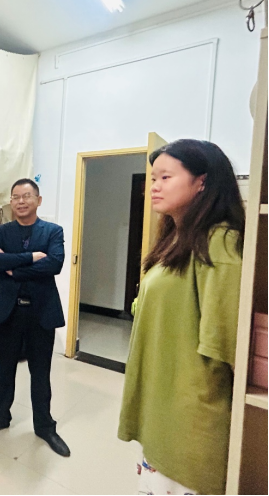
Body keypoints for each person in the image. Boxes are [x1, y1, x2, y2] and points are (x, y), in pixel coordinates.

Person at [118, 140, 245, 495]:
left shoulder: (220, 242)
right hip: (164, 401)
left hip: (191, 413)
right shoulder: (177, 239)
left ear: (202, 181)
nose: (154, 186)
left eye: (166, 177)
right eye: (153, 178)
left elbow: (228, 342)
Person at [0, 179, 70, 458]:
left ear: (38, 200)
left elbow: (54, 264)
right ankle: (0, 416)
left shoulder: (53, 231)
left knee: (40, 372)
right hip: (9, 310)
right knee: (4, 369)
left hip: (41, 312)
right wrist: (31, 257)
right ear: (11, 201)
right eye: (15, 196)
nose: (20, 201)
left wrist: (14, 269)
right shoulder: (2, 231)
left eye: (26, 196)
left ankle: (44, 426)